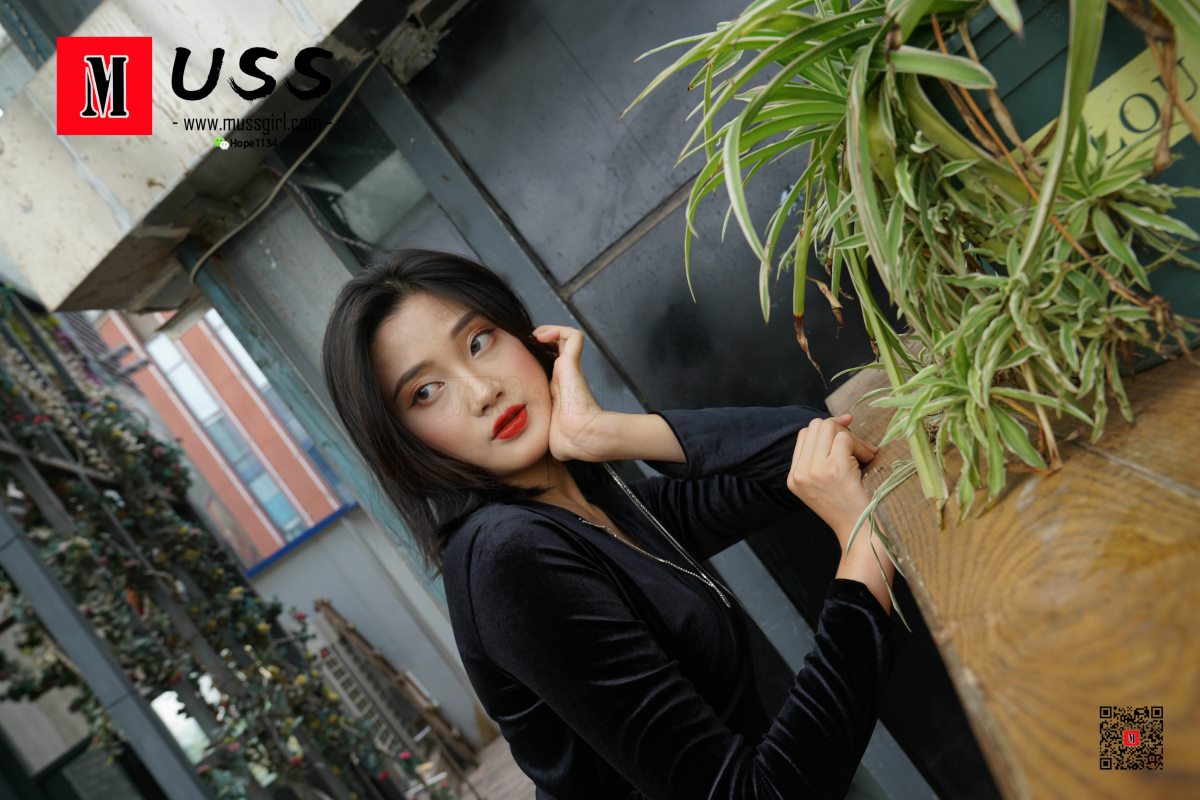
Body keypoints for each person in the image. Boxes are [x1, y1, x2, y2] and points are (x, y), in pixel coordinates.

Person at [322, 249, 898, 799]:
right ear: (403, 442)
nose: (482, 391)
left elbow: (807, 450)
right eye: (425, 392)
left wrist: (608, 432)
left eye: (478, 341)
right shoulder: (509, 558)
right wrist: (864, 551)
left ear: (525, 335)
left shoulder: (600, 507)